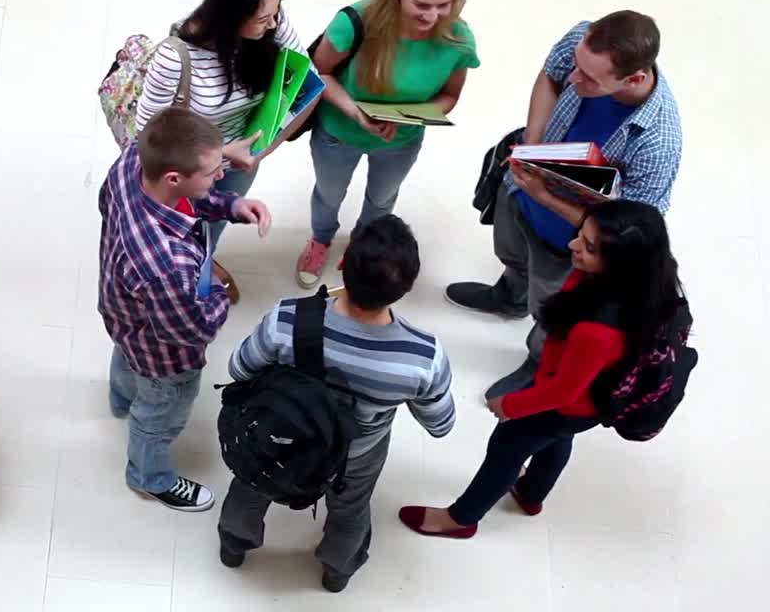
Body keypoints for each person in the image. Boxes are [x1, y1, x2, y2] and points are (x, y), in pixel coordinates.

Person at [401, 200, 683, 538]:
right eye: (582, 234)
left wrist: (510, 405)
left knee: (506, 450)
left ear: (618, 264)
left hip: (565, 401)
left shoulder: (597, 330)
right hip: (587, 403)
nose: (573, 245)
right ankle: (531, 494)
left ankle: (461, 518)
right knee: (556, 439)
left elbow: (563, 392)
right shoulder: (647, 282)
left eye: (589, 247)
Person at [445, 11, 682, 398]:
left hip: (567, 241)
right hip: (521, 189)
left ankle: (539, 361)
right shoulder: (584, 43)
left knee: (551, 310)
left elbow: (627, 229)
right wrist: (533, 149)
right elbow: (550, 76)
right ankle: (508, 297)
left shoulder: (658, 142)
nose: (575, 78)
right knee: (513, 255)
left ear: (634, 79)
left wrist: (544, 195)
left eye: (589, 79)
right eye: (578, 66)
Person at [217, 214, 455, 593]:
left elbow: (238, 367)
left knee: (251, 486)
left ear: (345, 262)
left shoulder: (288, 318)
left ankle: (234, 544)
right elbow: (441, 425)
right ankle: (336, 571)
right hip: (354, 455)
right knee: (350, 511)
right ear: (406, 287)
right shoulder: (422, 357)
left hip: (277, 439)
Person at [99, 107, 272, 512]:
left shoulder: (134, 159)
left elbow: (108, 204)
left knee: (126, 351)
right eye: (214, 172)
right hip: (165, 355)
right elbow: (192, 330)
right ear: (175, 178)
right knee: (160, 412)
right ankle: (148, 476)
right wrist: (218, 290)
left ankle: (121, 400)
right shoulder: (167, 267)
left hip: (121, 306)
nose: (221, 175)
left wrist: (230, 206)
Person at [296, 0, 479, 288]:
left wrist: (406, 118)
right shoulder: (354, 22)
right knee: (329, 193)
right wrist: (354, 112)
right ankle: (321, 238)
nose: (433, 15)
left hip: (402, 139)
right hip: (338, 131)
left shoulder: (459, 38)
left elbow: (450, 96)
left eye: (444, 4)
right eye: (422, 4)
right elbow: (321, 73)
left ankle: (364, 244)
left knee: (382, 199)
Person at [135, 0, 311, 303]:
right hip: (187, 166)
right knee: (178, 233)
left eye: (275, 13)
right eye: (262, 19)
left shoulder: (273, 24)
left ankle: (204, 259)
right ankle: (181, 289)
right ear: (231, 18)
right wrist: (219, 155)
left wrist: (260, 151)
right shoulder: (176, 58)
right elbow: (148, 138)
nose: (274, 24)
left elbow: (306, 84)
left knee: (213, 225)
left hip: (242, 159)